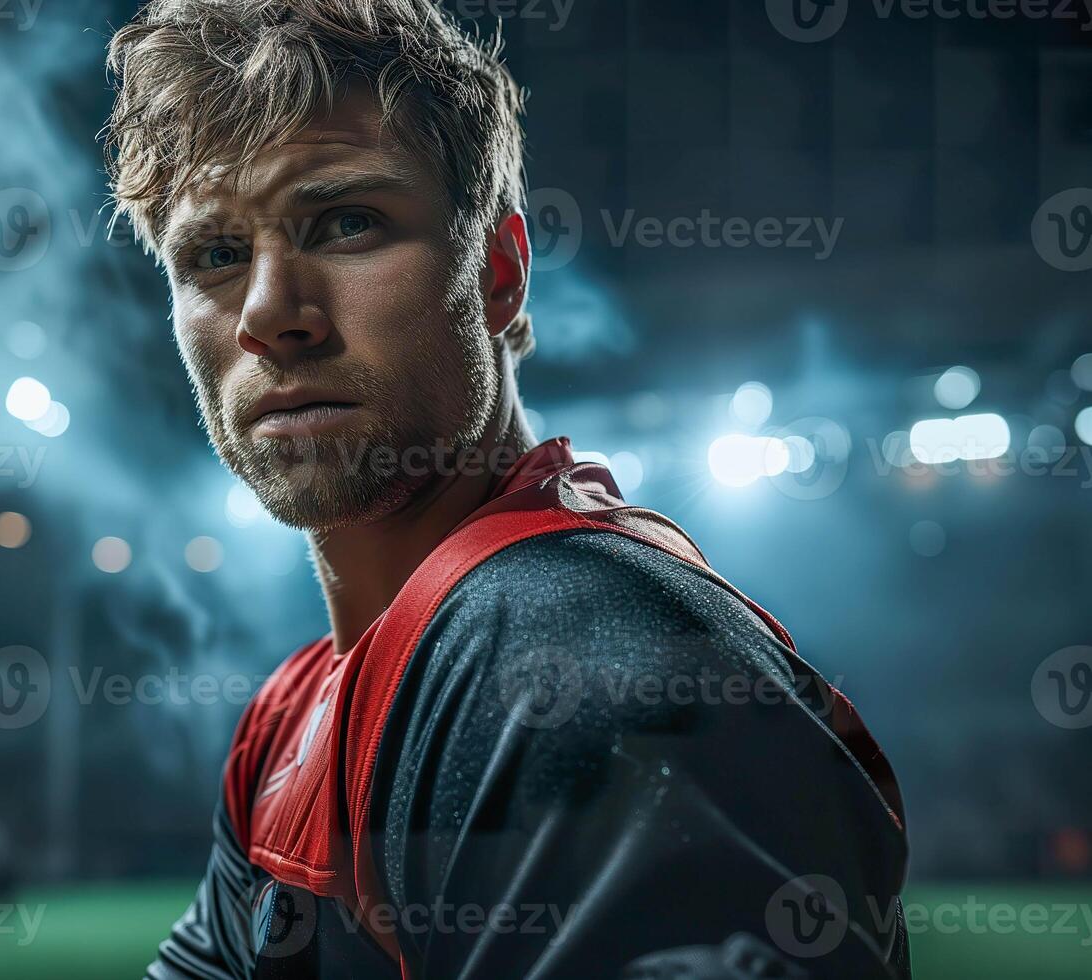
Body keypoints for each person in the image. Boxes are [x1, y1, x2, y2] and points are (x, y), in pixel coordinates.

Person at [102, 1, 908, 976]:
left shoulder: (566, 649)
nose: (272, 312)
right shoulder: (291, 712)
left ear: (500, 274)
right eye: (217, 255)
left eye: (348, 221)